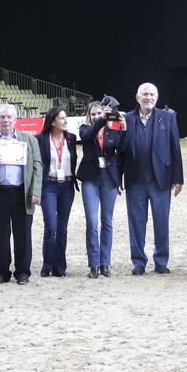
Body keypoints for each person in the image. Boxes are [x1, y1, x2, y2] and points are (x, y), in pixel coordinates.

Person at [118, 82, 183, 275]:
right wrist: (117, 180)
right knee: (136, 222)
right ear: (137, 97)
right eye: (145, 94)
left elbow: (175, 149)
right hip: (135, 179)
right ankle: (139, 262)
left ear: (157, 97)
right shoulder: (126, 119)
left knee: (161, 222)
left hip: (160, 180)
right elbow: (119, 151)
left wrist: (178, 178)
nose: (148, 98)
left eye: (152, 94)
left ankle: (161, 261)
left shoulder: (167, 118)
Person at [0, 103, 42, 285]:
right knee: (0, 235)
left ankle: (22, 272)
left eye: (9, 117)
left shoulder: (29, 140)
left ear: (16, 119)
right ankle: (2, 272)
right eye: (2, 117)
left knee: (23, 235)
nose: (5, 120)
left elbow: (37, 166)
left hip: (22, 193)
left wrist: (36, 191)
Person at [76, 99, 124, 279]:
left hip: (109, 178)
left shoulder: (113, 129)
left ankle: (105, 263)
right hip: (90, 178)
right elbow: (88, 136)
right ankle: (93, 264)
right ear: (89, 116)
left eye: (99, 113)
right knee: (91, 222)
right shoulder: (84, 128)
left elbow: (121, 147)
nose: (97, 116)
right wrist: (102, 120)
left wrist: (124, 128)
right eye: (93, 114)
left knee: (107, 222)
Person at [36, 107, 78, 278]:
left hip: (67, 186)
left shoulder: (71, 138)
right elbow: (37, 165)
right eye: (62, 118)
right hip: (49, 186)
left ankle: (60, 266)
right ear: (52, 121)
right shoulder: (40, 140)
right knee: (51, 226)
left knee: (62, 228)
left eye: (65, 117)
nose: (65, 121)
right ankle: (47, 265)